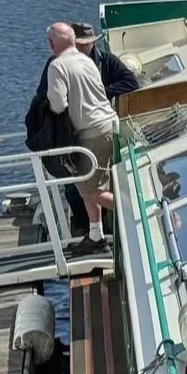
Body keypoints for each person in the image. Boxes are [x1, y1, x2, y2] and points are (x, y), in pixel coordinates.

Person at [43, 21, 115, 247]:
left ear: (51, 43)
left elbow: (58, 105)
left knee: (89, 190)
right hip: (111, 124)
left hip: (91, 133)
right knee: (88, 184)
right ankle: (95, 234)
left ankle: (141, 211)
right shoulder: (87, 60)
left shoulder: (57, 66)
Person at [71, 22, 141, 101]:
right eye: (78, 44)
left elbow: (131, 83)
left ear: (93, 43)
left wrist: (100, 93)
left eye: (86, 44)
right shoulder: (63, 64)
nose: (81, 48)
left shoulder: (108, 60)